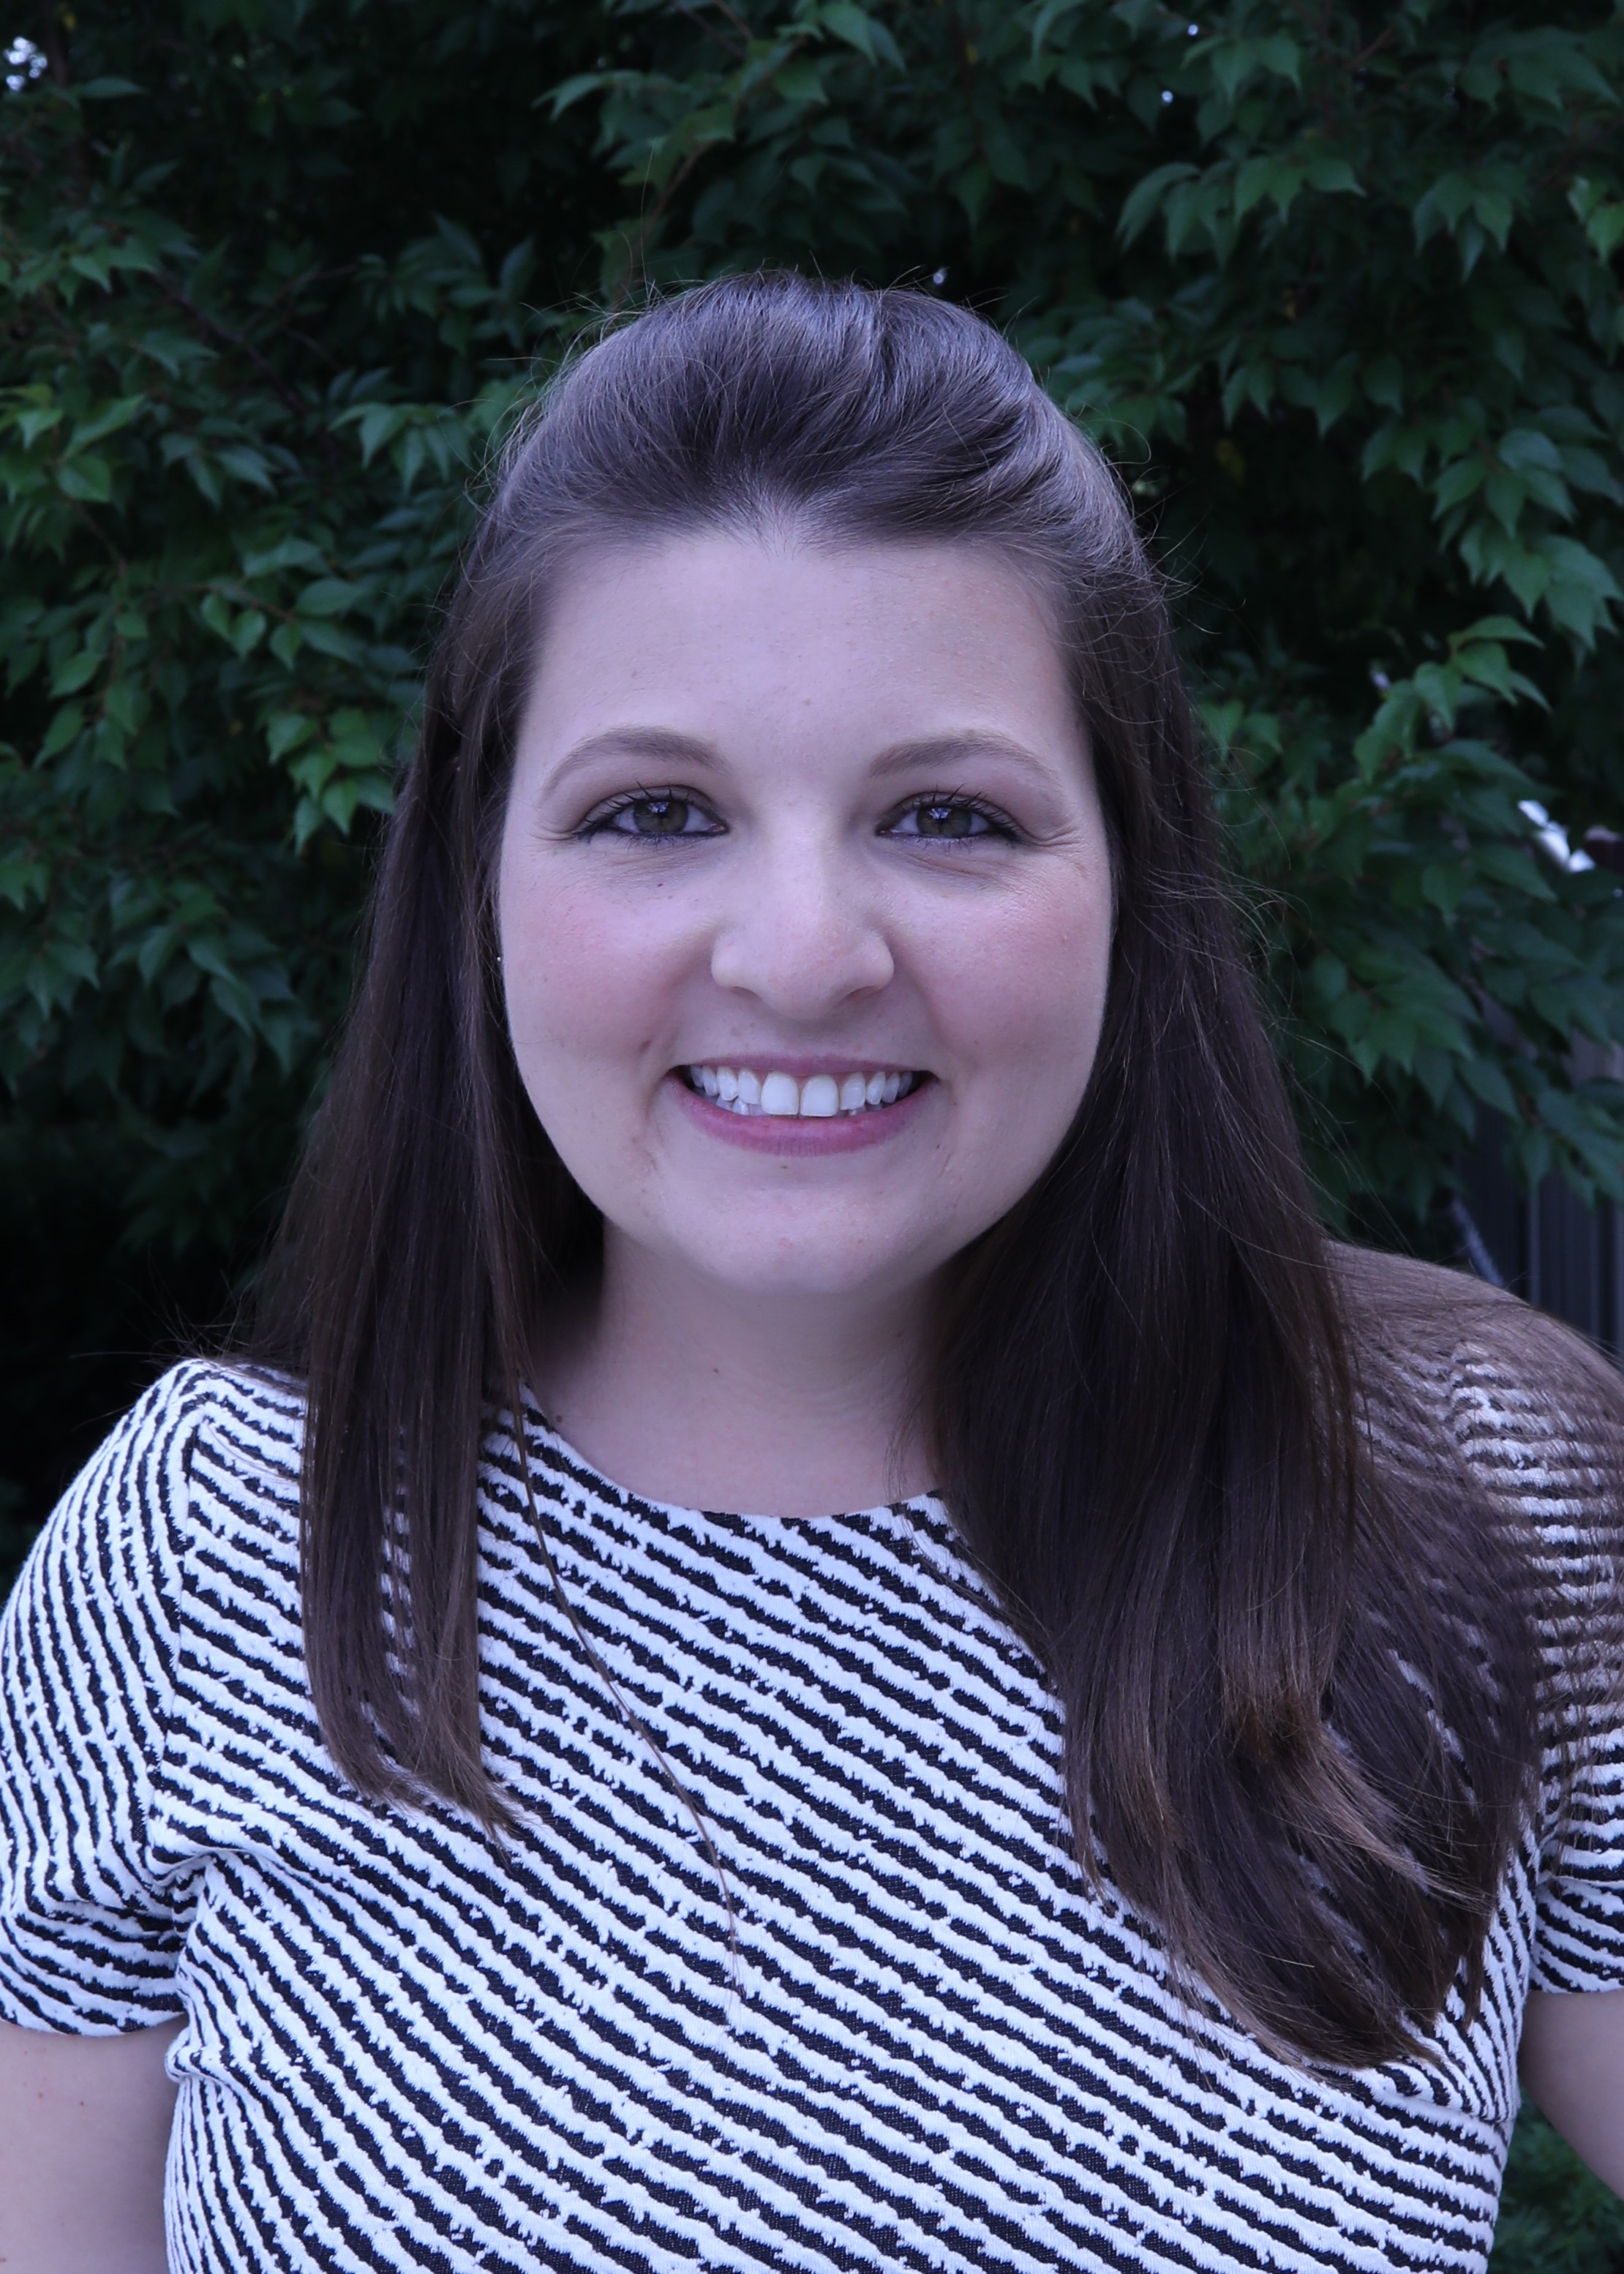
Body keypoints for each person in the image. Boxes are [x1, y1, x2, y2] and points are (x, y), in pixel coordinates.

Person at [1, 274, 1620, 2274]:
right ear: (475, 881)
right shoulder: (216, 1552)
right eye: (654, 813)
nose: (799, 954)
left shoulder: (1469, 1488)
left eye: (945, 816)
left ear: (1134, 880)